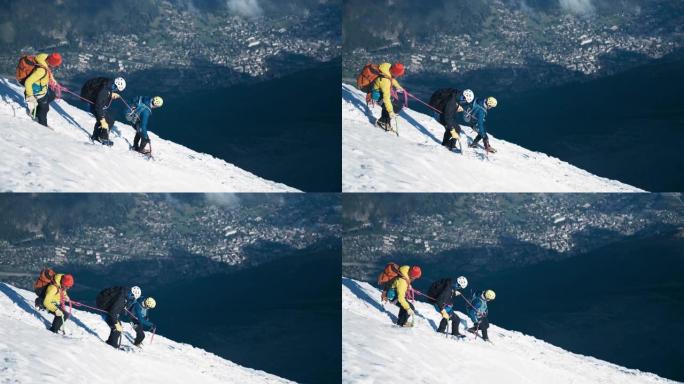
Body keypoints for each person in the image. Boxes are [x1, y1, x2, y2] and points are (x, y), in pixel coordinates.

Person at [80, 76, 127, 146]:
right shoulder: (105, 90)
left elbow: (103, 94)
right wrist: (102, 120)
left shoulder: (109, 84)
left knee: (109, 120)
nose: (117, 91)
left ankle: (96, 136)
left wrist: (111, 94)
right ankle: (103, 138)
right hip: (94, 103)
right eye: (117, 89)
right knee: (106, 121)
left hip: (94, 99)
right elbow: (98, 106)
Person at [23, 53, 62, 127]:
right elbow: (28, 82)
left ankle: (38, 108)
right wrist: (30, 97)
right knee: (44, 110)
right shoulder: (41, 71)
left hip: (43, 88)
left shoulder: (44, 57)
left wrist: (52, 80)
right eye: (56, 65)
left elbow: (48, 71)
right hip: (38, 93)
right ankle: (43, 126)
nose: (56, 67)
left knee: (52, 95)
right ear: (52, 63)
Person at [371, 62, 405, 131]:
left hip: (380, 92)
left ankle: (386, 122)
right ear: (395, 73)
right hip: (377, 96)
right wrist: (390, 111)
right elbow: (386, 99)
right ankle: (382, 122)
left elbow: (391, 78)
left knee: (397, 105)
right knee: (394, 107)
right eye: (398, 74)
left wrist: (398, 87)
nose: (398, 76)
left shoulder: (388, 67)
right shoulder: (385, 81)